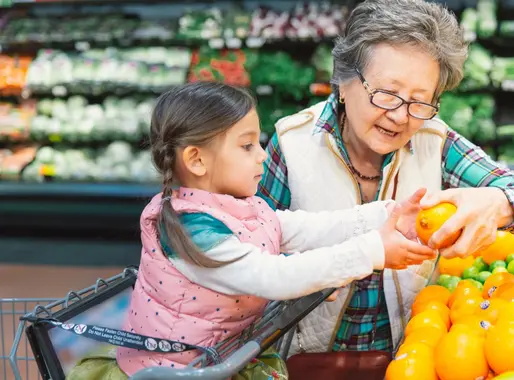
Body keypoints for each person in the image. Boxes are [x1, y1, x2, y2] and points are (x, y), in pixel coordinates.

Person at [66, 82, 436, 380]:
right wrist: (372, 251)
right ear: (196, 160)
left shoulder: (238, 206)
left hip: (216, 357)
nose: (262, 154)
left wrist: (383, 214)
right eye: (246, 146)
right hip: (176, 372)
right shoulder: (192, 231)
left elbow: (303, 227)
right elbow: (276, 277)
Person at [257, 0, 514, 359]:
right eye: (387, 94)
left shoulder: (435, 142)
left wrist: (499, 204)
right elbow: (247, 251)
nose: (400, 117)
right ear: (343, 81)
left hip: (410, 358)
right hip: (303, 361)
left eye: (420, 102)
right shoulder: (292, 144)